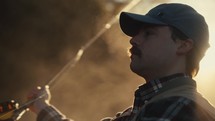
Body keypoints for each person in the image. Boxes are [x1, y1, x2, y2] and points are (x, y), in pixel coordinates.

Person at [26, 3, 215, 121]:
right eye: (136, 33)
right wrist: (42, 107)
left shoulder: (181, 106)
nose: (133, 40)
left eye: (148, 33)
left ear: (183, 46)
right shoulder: (149, 106)